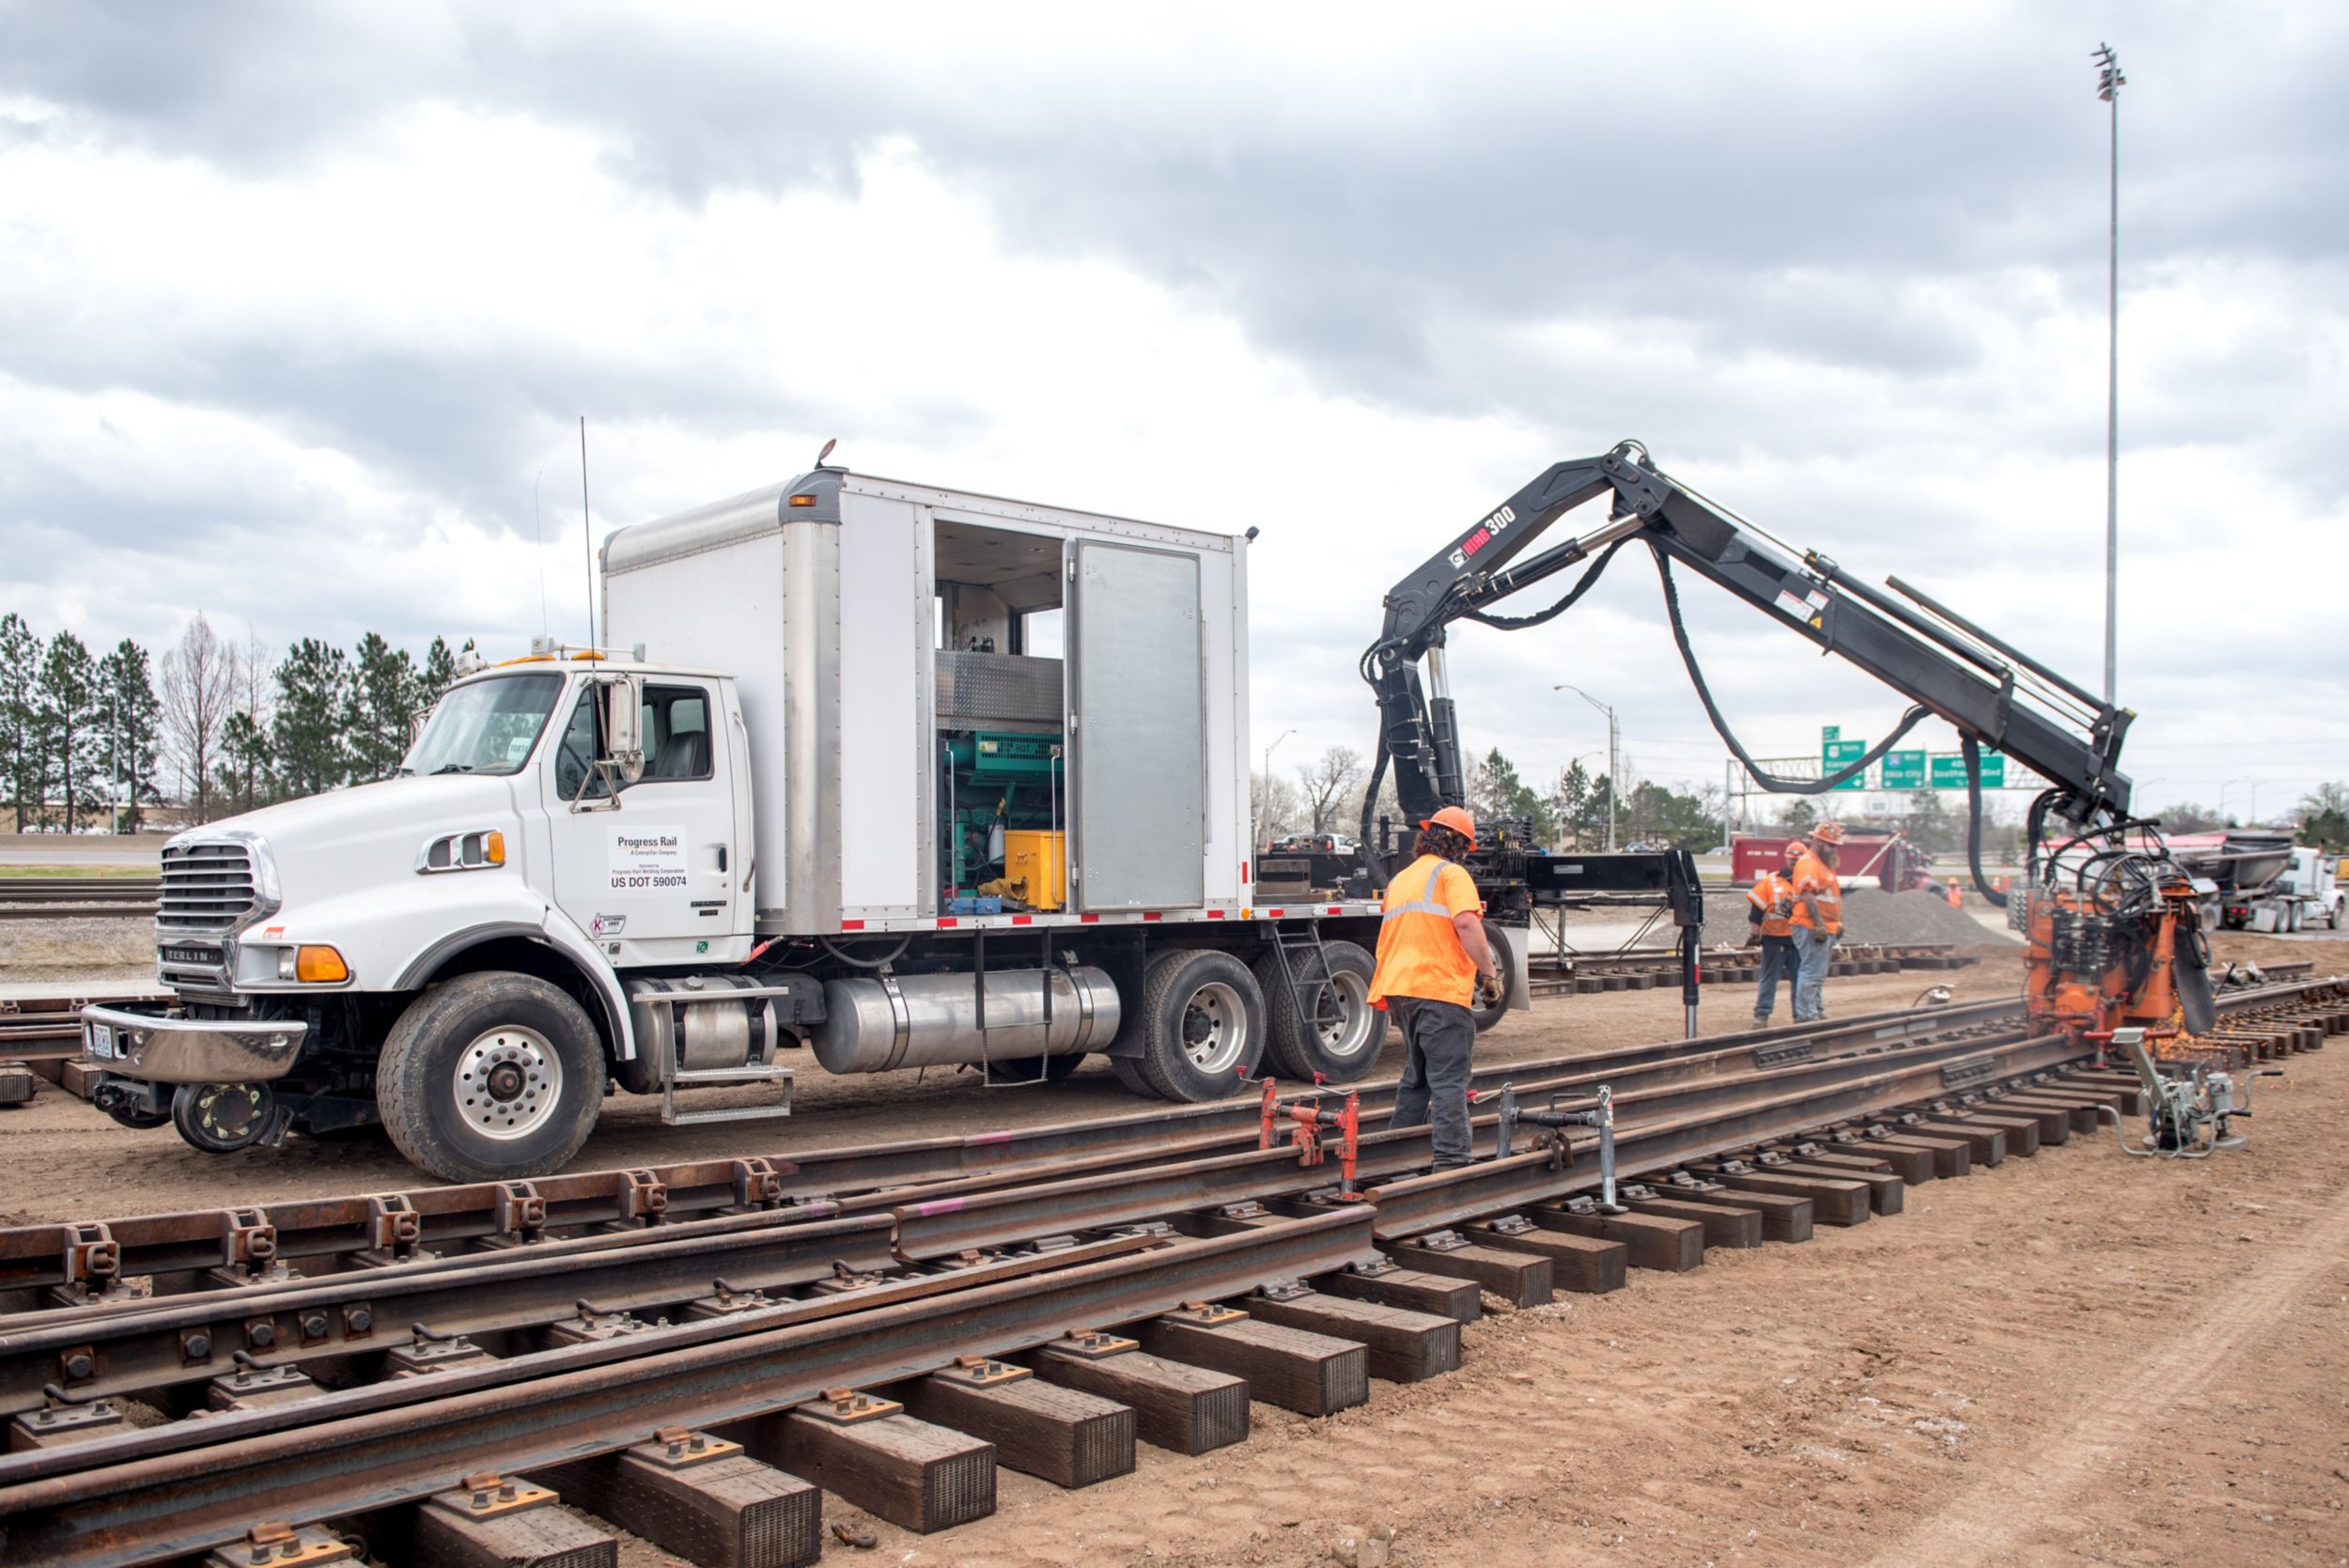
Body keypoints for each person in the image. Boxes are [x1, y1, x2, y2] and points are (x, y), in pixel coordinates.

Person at [1368, 804, 1501, 1170]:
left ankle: (1394, 1162)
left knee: (1418, 1078)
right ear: (1457, 844)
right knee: (1448, 1080)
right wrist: (1489, 974)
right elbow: (1467, 925)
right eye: (1464, 847)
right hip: (1438, 989)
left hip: (1401, 990)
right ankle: (1451, 1164)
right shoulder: (1452, 875)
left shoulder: (1401, 879)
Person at [1787, 820, 1846, 1022]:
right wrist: (1820, 924)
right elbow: (1808, 896)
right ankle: (1806, 1016)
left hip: (1823, 926)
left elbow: (1830, 898)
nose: (1834, 850)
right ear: (1819, 842)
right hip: (1810, 925)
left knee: (1818, 973)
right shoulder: (1809, 864)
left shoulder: (1822, 865)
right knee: (1812, 972)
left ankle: (1816, 1011)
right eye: (1831, 845)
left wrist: (1837, 922)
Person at [1747, 839, 1804, 1027]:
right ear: (1786, 859)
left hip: (1799, 939)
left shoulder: (1806, 883)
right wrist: (1755, 931)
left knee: (1800, 979)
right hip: (1774, 939)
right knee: (1769, 977)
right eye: (1791, 859)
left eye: (1798, 860)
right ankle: (1761, 1015)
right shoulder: (1771, 881)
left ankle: (1801, 1015)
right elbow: (1757, 907)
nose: (1794, 862)